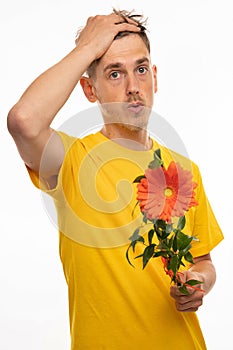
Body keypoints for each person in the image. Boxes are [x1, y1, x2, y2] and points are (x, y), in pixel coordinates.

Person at [7, 8, 223, 350]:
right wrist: (87, 49)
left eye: (140, 70)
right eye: (114, 74)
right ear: (89, 89)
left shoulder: (185, 170)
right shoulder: (70, 160)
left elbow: (203, 261)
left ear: (155, 77)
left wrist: (198, 282)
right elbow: (23, 121)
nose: (134, 88)